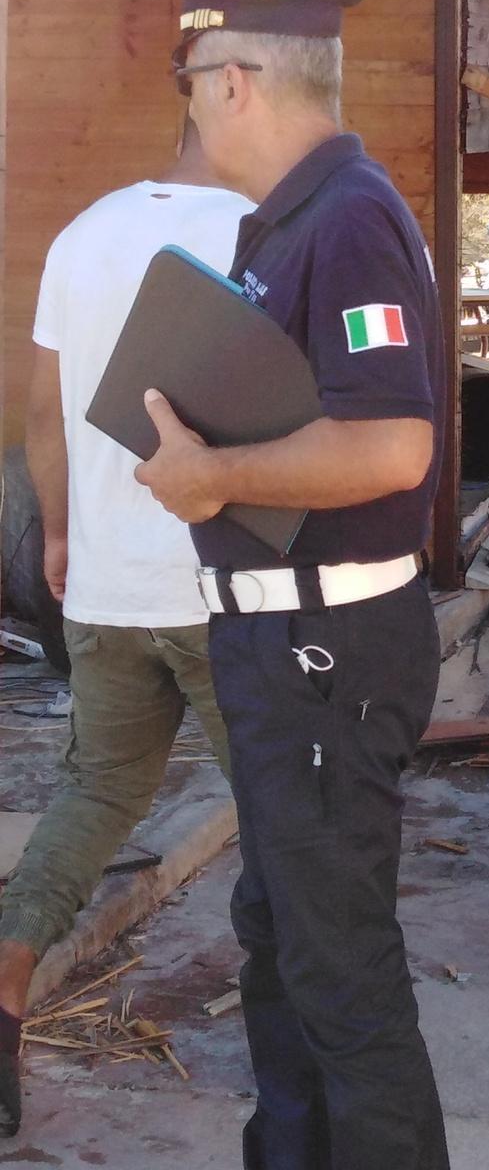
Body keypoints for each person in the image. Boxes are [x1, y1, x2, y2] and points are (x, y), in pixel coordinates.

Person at [135, 0, 449, 1170]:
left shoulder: (351, 219)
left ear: (236, 79)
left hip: (325, 650)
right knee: (284, 935)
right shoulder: (295, 222)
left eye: (189, 71)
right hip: (283, 641)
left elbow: (392, 447)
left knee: (339, 967)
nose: (188, 99)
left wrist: (215, 478)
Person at [0, 119, 250, 1137]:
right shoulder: (258, 233)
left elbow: (44, 418)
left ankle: (6, 996)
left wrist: (62, 534)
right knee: (281, 808)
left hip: (105, 585)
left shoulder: (81, 236)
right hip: (221, 593)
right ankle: (313, 1034)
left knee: (94, 793)